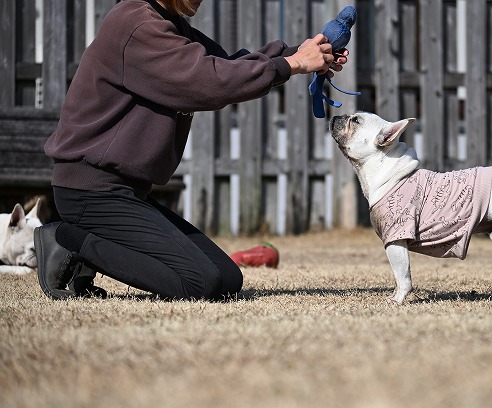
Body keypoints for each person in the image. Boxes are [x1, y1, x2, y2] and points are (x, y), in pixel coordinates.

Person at [34, 0, 349, 300]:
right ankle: (68, 240)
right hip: (92, 192)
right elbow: (210, 81)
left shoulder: (168, 24)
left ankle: (82, 250)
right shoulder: (137, 25)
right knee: (200, 281)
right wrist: (292, 64)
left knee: (227, 279)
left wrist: (301, 54)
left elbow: (230, 66)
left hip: (125, 194)